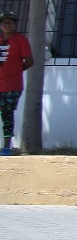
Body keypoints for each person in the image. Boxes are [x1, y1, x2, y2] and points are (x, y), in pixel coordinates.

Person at [0, 11, 34, 156]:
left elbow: (29, 61)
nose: (8, 25)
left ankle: (6, 147)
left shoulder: (20, 40)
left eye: (11, 22)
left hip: (12, 86)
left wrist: (15, 71)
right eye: (4, 22)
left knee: (7, 115)